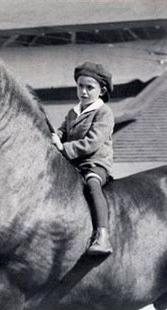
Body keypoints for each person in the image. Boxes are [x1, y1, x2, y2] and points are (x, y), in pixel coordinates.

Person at [51, 61, 115, 256]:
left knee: (92, 186)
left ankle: (102, 236)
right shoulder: (74, 112)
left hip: (95, 163)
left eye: (90, 87)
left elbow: (92, 142)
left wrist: (63, 147)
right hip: (73, 164)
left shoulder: (104, 112)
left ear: (102, 90)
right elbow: (63, 130)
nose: (84, 92)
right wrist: (55, 135)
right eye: (80, 86)